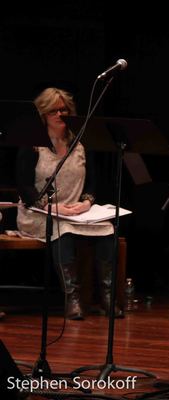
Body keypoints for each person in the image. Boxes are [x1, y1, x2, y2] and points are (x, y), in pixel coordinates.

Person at [15, 87, 123, 320]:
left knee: (107, 229)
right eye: (54, 110)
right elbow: (24, 187)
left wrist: (86, 203)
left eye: (64, 109)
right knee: (61, 230)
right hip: (39, 212)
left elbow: (94, 182)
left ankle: (107, 297)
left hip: (75, 211)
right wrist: (50, 207)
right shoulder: (32, 144)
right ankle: (72, 298)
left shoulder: (81, 142)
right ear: (43, 114)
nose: (60, 114)